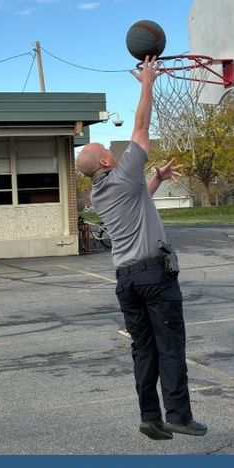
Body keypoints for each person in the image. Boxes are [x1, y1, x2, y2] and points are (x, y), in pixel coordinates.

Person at [76, 58, 207, 442]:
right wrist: (147, 83)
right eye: (106, 148)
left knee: (143, 351)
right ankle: (179, 416)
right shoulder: (122, 172)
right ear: (104, 160)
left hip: (126, 281)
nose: (112, 149)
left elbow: (139, 199)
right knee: (170, 345)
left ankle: (150, 417)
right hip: (154, 276)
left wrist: (156, 178)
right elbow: (141, 125)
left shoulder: (100, 192)